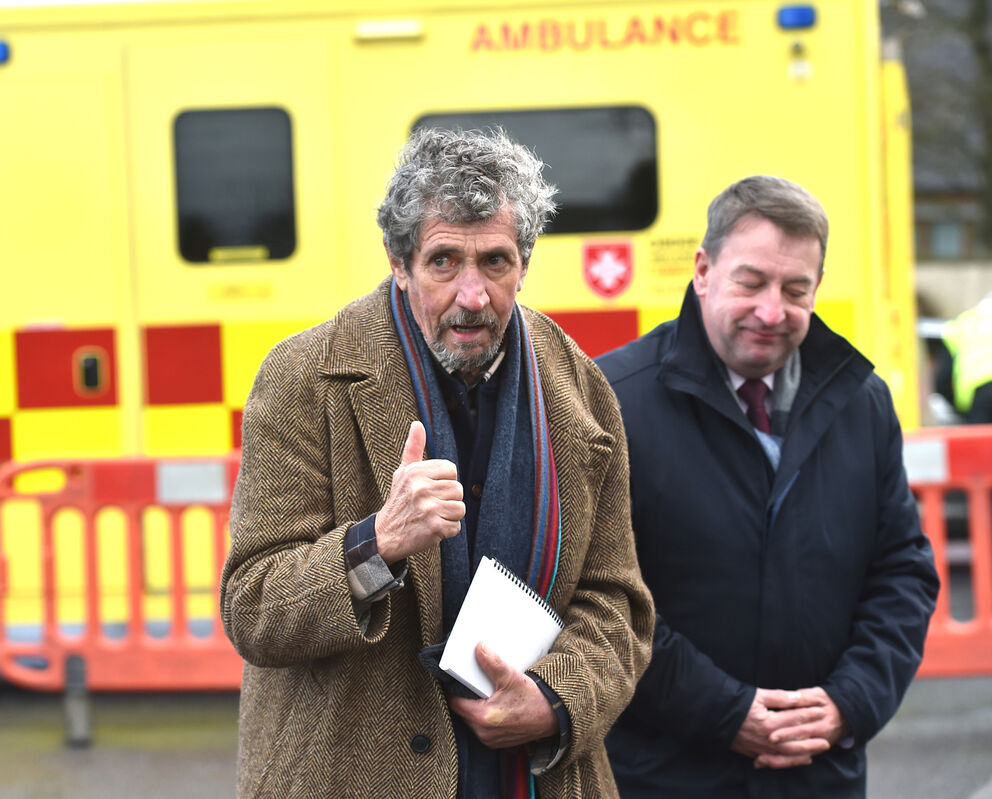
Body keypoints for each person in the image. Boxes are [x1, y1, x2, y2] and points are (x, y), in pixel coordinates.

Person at [220, 127, 654, 799]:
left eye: (496, 263)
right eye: (444, 261)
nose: (473, 294)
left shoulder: (582, 392)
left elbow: (616, 603)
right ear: (400, 261)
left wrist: (555, 699)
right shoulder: (304, 377)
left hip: (533, 775)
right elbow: (253, 606)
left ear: (525, 262)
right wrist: (377, 543)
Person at [597, 175, 939, 798]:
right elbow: (598, 600)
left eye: (795, 289)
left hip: (818, 775)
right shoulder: (612, 404)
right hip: (662, 777)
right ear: (703, 270)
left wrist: (847, 703)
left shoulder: (862, 404)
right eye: (751, 282)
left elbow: (902, 573)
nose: (772, 311)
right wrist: (726, 713)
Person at [936, 292, 992, 423]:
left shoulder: (961, 324)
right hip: (979, 396)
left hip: (979, 397)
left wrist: (962, 411)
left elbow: (941, 382)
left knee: (982, 443)